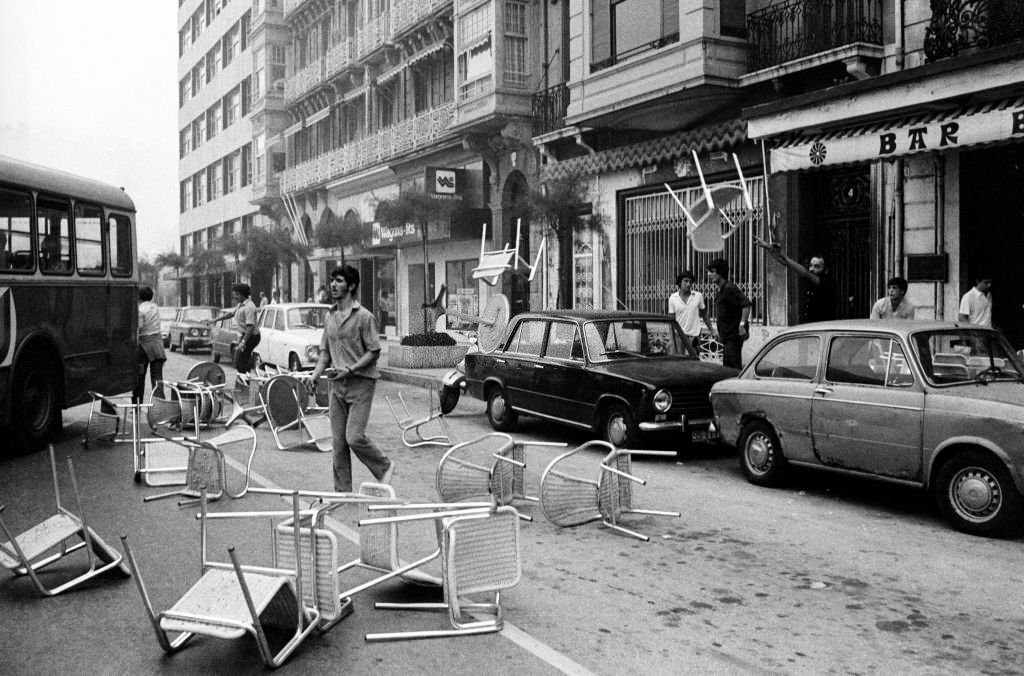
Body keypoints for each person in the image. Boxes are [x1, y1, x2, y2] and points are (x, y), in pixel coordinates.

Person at [309, 265, 395, 492]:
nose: (333, 285)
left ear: (352, 285)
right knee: (338, 443)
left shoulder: (364, 317)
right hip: (337, 385)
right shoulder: (330, 316)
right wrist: (315, 375)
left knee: (354, 437)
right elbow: (325, 352)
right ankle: (342, 491)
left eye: (338, 281)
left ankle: (384, 467)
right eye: (332, 281)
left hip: (361, 383)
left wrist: (351, 369)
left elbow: (374, 351)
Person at [756, 237, 837, 322]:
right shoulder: (810, 281)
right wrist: (770, 249)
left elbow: (805, 273)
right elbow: (786, 263)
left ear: (826, 269)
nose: (812, 269)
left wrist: (785, 256)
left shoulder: (828, 282)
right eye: (811, 265)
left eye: (817, 266)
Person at [706, 259, 751, 370]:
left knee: (733, 367)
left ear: (720, 273)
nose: (709, 275)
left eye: (712, 272)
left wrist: (741, 325)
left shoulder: (729, 288)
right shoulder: (722, 290)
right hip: (727, 338)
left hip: (733, 337)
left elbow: (746, 304)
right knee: (727, 367)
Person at [211, 283, 261, 375]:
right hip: (246, 335)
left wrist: (243, 342)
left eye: (236, 295)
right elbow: (231, 314)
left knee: (241, 360)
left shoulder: (249, 307)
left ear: (241, 294)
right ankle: (242, 381)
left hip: (251, 336)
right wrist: (215, 319)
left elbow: (250, 327)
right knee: (240, 360)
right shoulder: (240, 305)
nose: (235, 297)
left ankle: (245, 383)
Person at [134, 286, 167, 404]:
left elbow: (138, 327)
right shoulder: (155, 307)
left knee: (139, 378)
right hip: (158, 346)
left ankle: (137, 404)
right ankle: (160, 406)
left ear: (138, 296)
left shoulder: (140, 310)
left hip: (144, 346)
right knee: (157, 378)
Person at [667, 270, 709, 357]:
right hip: (679, 336)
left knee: (694, 360)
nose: (688, 284)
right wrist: (672, 339)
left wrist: (712, 330)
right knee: (680, 361)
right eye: (685, 281)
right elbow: (671, 320)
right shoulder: (673, 298)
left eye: (690, 281)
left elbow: (704, 314)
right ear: (679, 282)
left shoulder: (698, 296)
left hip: (694, 336)